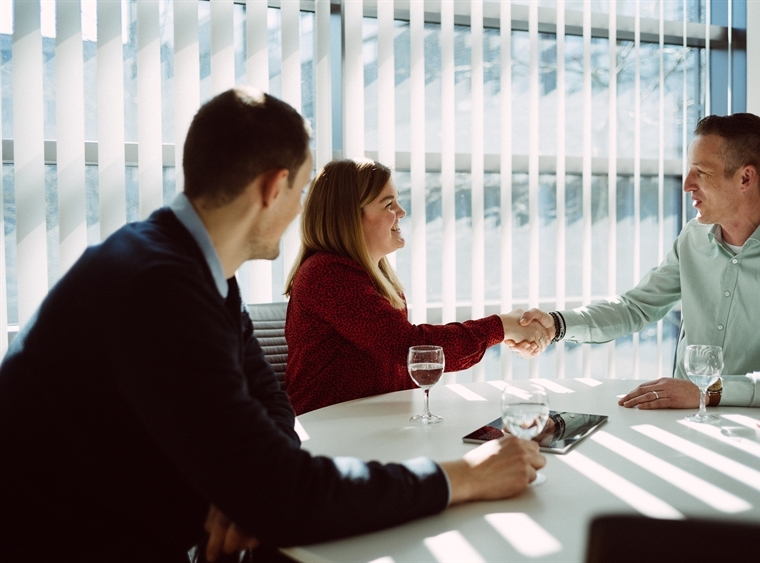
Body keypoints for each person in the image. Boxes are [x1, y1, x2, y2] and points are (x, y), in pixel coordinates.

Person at [0, 87, 545, 563]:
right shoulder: (157, 285)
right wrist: (466, 476)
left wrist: (249, 486)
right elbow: (285, 496)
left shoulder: (195, 269)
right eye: (302, 190)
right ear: (273, 187)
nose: (302, 210)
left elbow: (267, 398)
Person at [516, 113, 760, 409]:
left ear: (746, 179)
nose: (687, 184)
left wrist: (712, 391)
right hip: (685, 429)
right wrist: (557, 324)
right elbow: (636, 307)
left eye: (701, 172)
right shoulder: (693, 238)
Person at [283, 159, 550, 414]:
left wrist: (505, 330)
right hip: (332, 433)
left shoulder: (376, 277)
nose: (401, 212)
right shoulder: (327, 274)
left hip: (373, 423)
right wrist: (501, 327)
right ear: (349, 218)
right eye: (388, 204)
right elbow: (410, 349)